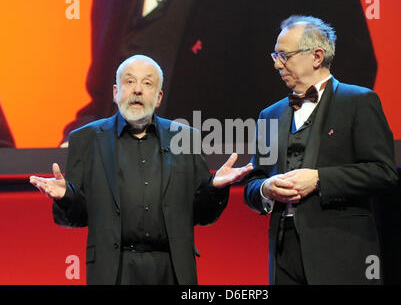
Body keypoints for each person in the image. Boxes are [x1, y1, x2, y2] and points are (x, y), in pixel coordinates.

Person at [30, 55, 253, 285]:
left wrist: (214, 187)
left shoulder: (186, 138)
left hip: (172, 270)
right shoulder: (86, 139)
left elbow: (201, 214)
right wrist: (66, 196)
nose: (137, 90)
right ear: (116, 93)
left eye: (147, 83)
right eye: (129, 82)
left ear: (158, 97)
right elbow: (76, 217)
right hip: (113, 271)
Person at [60, 0, 377, 146]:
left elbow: (346, 70)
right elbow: (103, 99)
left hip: (250, 212)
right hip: (133, 219)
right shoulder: (109, 1)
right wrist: (75, 143)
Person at [244, 15, 398, 285]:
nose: (276, 63)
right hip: (284, 252)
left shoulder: (359, 101)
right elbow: (252, 184)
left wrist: (318, 179)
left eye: (284, 55)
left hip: (341, 251)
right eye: (275, 55)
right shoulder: (269, 115)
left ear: (316, 56)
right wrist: (266, 189)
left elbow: (383, 172)